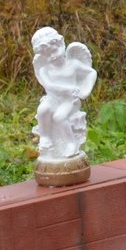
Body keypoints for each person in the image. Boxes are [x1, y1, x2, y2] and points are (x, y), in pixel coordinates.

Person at [31, 27, 97, 161]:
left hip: (70, 100)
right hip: (53, 98)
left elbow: (91, 72)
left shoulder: (74, 64)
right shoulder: (45, 69)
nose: (52, 56)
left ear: (61, 43)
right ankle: (45, 138)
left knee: (59, 116)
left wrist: (84, 91)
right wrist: (67, 89)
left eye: (54, 50)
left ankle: (70, 142)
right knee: (43, 109)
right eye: (47, 55)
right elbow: (49, 86)